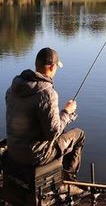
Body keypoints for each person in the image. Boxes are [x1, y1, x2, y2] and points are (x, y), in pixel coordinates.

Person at [5, 47, 85, 181]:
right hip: (35, 155)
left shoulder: (12, 88)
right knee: (79, 134)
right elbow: (53, 133)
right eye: (56, 67)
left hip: (13, 149)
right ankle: (69, 179)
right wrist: (67, 112)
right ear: (53, 67)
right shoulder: (47, 93)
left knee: (62, 129)